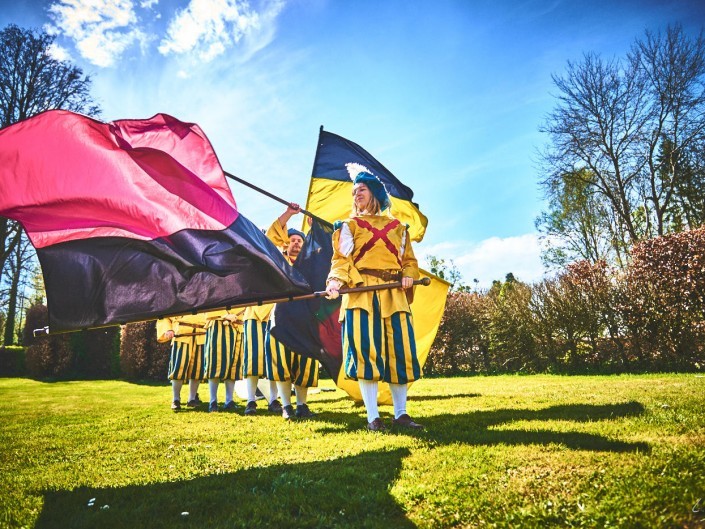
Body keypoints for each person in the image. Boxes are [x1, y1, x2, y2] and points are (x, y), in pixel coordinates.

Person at [325, 164, 423, 431]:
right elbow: (341, 259)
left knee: (400, 350)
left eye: (362, 190)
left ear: (376, 193)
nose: (356, 195)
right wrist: (335, 281)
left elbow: (409, 261)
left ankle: (401, 413)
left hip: (393, 293)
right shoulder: (349, 226)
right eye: (354, 191)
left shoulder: (398, 227)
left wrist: (408, 275)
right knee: (365, 350)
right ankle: (372, 417)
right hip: (361, 293)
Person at [264, 204, 320, 420]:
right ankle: (286, 406)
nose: (296, 244)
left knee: (305, 361)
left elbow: (327, 251)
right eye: (293, 240)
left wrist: (315, 229)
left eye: (300, 241)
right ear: (286, 244)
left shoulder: (311, 262)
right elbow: (270, 237)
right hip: (281, 316)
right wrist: (288, 214)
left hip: (307, 317)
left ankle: (302, 405)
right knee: (281, 362)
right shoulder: (279, 261)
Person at [156, 314, 206, 411]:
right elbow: (163, 315)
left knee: (197, 369)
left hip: (201, 335)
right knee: (178, 368)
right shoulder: (175, 298)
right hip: (182, 334)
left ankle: (192, 399)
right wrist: (168, 329)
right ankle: (176, 400)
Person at [202, 309, 244, 412]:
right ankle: (213, 402)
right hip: (218, 325)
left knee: (233, 365)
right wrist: (224, 315)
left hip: (237, 327)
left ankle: (229, 401)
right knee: (215, 363)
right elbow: (207, 304)